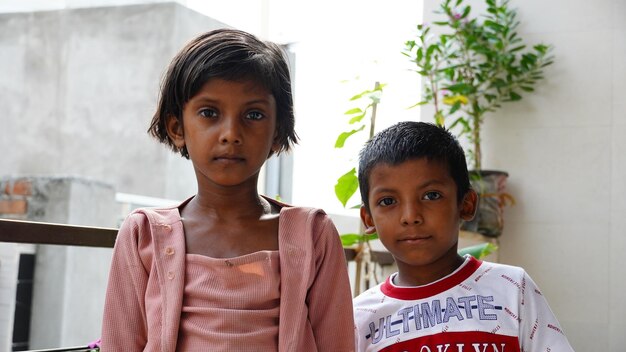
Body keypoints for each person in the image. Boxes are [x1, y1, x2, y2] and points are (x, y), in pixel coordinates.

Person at [101, 28, 355, 351]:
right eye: (210, 113)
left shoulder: (313, 235)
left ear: (277, 132)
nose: (231, 133)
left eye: (253, 115)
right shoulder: (142, 236)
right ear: (177, 128)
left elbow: (338, 344)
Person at [353, 121, 573, 351]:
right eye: (388, 201)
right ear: (368, 218)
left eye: (431, 195)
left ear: (466, 204)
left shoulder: (511, 288)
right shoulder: (361, 318)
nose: (410, 216)